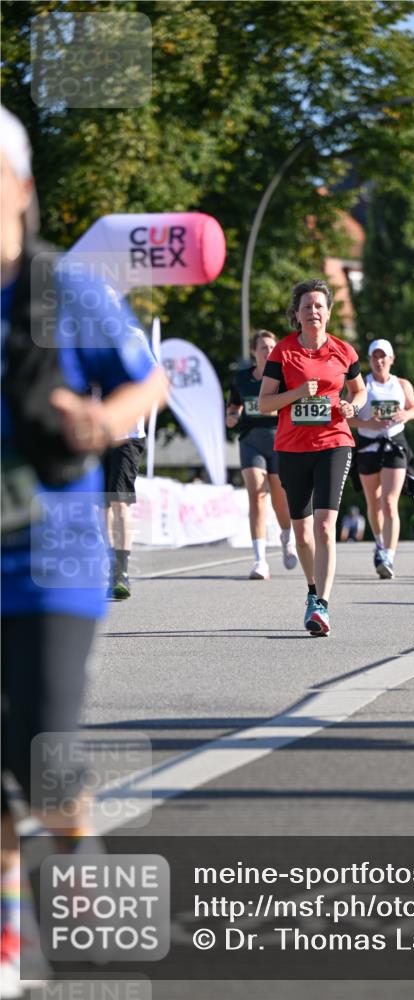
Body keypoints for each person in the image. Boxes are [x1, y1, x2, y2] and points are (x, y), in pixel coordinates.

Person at [0, 106, 167, 996]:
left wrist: (104, 419)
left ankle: (91, 887)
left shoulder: (60, 288)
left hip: (53, 559)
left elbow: (148, 378)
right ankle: (6, 944)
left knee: (45, 751)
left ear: (20, 188)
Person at [258, 279, 366, 636]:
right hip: (291, 448)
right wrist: (298, 392)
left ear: (329, 312)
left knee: (323, 526)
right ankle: (311, 590)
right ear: (297, 314)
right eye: (307, 306)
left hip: (334, 442)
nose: (314, 312)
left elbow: (360, 390)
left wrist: (354, 405)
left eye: (320, 305)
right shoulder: (283, 353)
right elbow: (264, 403)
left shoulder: (343, 351)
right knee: (302, 534)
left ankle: (323, 604)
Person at [226, 330, 297, 579]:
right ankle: (260, 560)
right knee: (256, 494)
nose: (268, 351)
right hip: (250, 441)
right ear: (253, 352)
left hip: (278, 440)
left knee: (279, 497)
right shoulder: (242, 378)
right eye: (263, 347)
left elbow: (293, 407)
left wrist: (274, 410)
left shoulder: (284, 376)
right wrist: (232, 416)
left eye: (271, 347)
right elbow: (234, 404)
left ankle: (287, 537)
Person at [348, 339, 414, 579]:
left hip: (394, 445)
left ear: (391, 359)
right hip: (368, 446)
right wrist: (367, 423)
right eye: (374, 357)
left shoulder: (401, 384)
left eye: (383, 357)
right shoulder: (362, 385)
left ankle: (389, 556)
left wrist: (405, 414)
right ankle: (379, 543)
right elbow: (346, 416)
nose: (379, 361)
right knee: (374, 503)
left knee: (390, 502)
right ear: (369, 360)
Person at [104, 374, 157, 599]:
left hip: (127, 436)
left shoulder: (133, 342)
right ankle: (110, 567)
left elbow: (155, 383)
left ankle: (122, 571)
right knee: (101, 506)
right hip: (97, 436)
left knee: (120, 502)